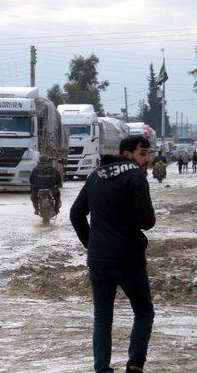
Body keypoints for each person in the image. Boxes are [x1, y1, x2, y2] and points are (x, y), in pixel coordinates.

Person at [70, 135, 155, 373]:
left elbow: (76, 214)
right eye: (143, 153)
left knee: (102, 317)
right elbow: (147, 221)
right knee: (144, 311)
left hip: (99, 260)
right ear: (127, 154)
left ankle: (102, 369)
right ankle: (135, 363)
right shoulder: (135, 177)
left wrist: (92, 244)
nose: (147, 159)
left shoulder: (95, 176)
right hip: (129, 259)